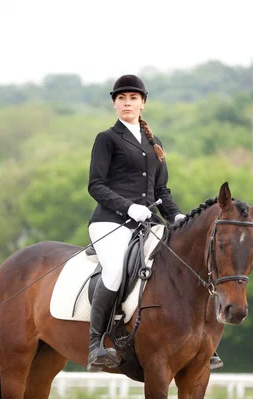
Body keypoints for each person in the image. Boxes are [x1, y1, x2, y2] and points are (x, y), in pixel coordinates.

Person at [86, 74, 223, 372]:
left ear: (142, 104)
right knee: (114, 272)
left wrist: (176, 216)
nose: (127, 103)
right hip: (110, 223)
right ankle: (96, 344)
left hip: (148, 223)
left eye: (133, 98)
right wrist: (128, 207)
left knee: (183, 264)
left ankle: (201, 342)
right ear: (114, 104)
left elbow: (162, 191)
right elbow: (95, 186)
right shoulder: (107, 139)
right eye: (121, 99)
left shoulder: (153, 141)